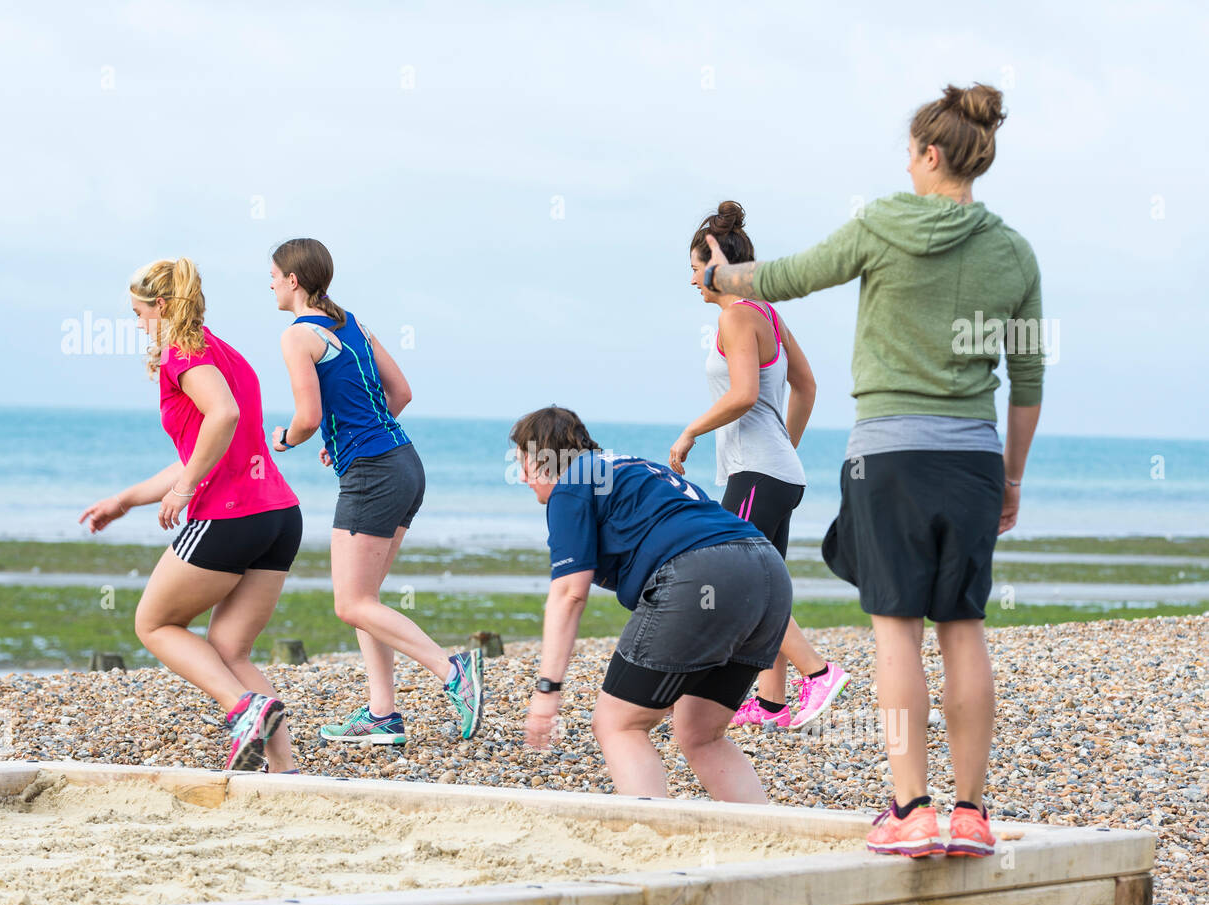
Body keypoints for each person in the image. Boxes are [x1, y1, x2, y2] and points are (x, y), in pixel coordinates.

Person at [699, 84, 1043, 857]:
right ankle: (971, 811)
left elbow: (787, 277)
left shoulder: (882, 224)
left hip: (888, 453)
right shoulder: (1013, 252)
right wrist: (1012, 477)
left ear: (929, 153)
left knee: (896, 632)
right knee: (963, 627)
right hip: (974, 457)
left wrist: (722, 281)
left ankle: (910, 807)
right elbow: (1027, 381)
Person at [79, 257, 303, 773]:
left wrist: (184, 491)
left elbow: (223, 418)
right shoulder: (223, 353)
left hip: (230, 516)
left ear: (161, 305)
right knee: (230, 649)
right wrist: (126, 500)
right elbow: (201, 446)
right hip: (279, 515)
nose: (138, 325)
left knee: (155, 623)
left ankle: (241, 708)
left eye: (139, 314)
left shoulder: (181, 354)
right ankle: (285, 771)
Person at [268, 238, 484, 745]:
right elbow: (400, 393)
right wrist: (343, 441)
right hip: (404, 463)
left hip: (373, 473)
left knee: (350, 603)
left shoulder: (297, 335)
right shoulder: (352, 323)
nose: (271, 284)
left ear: (293, 280)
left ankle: (452, 670)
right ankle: (382, 715)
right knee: (366, 599)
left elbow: (307, 417)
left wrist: (286, 438)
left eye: (274, 275)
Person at [516, 406, 791, 803]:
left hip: (702, 572)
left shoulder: (571, 482)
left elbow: (570, 593)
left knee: (618, 724)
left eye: (523, 463)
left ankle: (650, 836)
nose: (523, 478)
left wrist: (547, 691)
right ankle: (768, 841)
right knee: (701, 734)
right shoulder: (632, 467)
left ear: (541, 457)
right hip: (768, 573)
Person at [674, 200, 850, 731]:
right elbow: (808, 385)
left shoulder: (734, 316)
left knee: (741, 583)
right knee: (766, 584)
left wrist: (690, 432)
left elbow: (745, 394)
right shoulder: (769, 312)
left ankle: (817, 673)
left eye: (694, 268)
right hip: (777, 472)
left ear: (716, 263)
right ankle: (772, 702)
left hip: (757, 471)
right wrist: (786, 450)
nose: (691, 282)